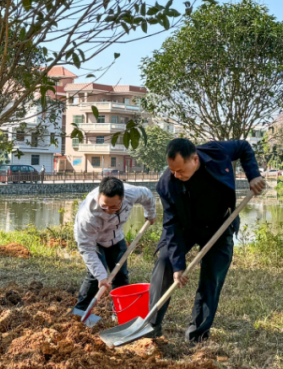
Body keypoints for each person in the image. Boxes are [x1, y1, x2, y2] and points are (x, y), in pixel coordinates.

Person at [148, 138, 266, 343]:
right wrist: (178, 266)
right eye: (172, 170)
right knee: (165, 261)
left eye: (180, 170)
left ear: (195, 159)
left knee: (212, 277)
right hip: (185, 228)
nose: (176, 175)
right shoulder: (166, 184)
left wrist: (253, 175)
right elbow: (171, 225)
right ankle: (151, 326)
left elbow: (244, 148)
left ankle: (197, 334)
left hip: (219, 225)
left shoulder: (217, 152)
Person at [72, 176, 156, 314]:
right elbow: (87, 248)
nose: (108, 210)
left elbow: (147, 195)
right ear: (99, 197)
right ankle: (80, 312)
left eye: (114, 206)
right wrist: (101, 276)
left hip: (116, 237)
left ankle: (120, 311)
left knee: (121, 276)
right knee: (94, 277)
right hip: (94, 241)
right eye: (104, 205)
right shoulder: (87, 216)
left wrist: (150, 214)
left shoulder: (131, 193)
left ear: (122, 198)